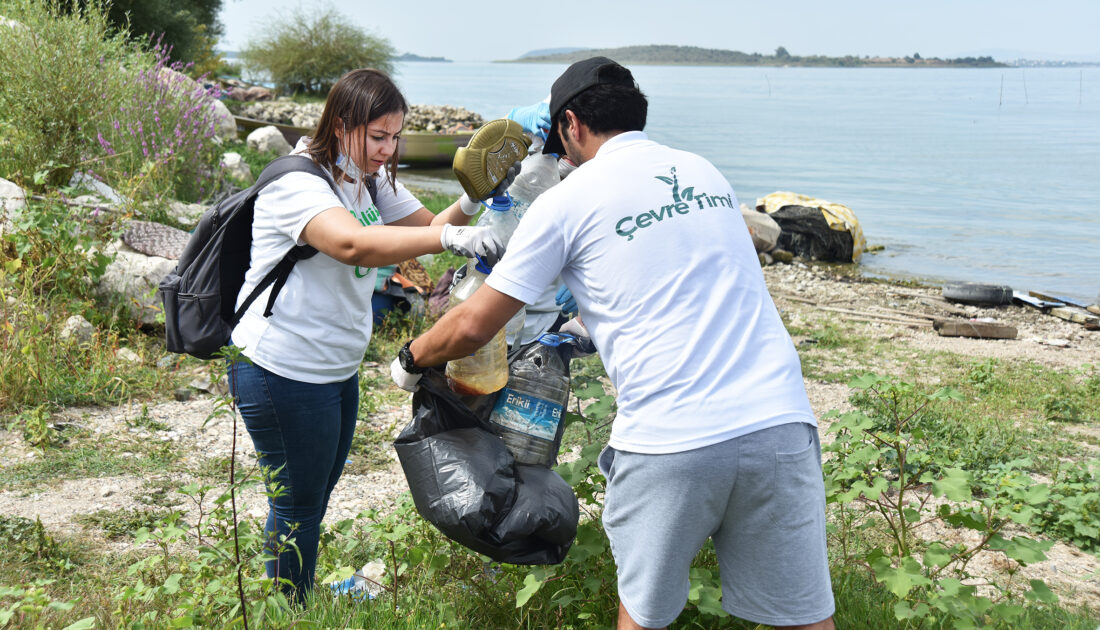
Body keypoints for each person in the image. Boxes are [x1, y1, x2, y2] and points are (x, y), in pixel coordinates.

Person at [391, 57, 836, 629]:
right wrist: (586, 328)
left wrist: (413, 357)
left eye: (558, 138)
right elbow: (688, 282)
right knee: (803, 618)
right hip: (780, 422)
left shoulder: (566, 200)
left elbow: (475, 324)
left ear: (571, 124)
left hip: (672, 438)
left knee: (643, 619)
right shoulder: (705, 173)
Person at [227, 68, 507, 602]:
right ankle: (292, 608)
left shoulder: (369, 178)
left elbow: (425, 232)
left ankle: (296, 593)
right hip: (280, 367)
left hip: (334, 365)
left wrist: (472, 202)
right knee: (297, 502)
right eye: (378, 136)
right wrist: (452, 235)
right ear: (340, 123)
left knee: (315, 491)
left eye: (396, 136)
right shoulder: (299, 182)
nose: (388, 148)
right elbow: (353, 244)